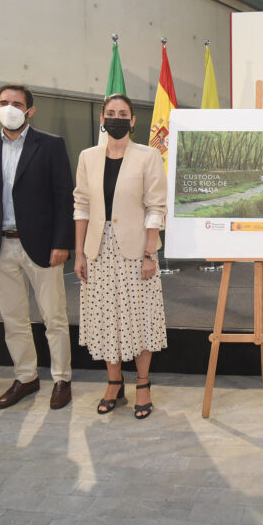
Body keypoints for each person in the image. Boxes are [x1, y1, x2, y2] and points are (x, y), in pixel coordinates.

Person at [0, 84, 75, 410]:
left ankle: (61, 378)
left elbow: (63, 197)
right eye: (3, 102)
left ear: (30, 110)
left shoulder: (51, 145)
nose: (9, 108)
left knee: (53, 316)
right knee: (13, 318)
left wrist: (62, 242)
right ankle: (26, 377)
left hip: (42, 246)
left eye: (16, 103)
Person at [74, 94, 168, 419]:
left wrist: (149, 253)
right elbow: (82, 205)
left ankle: (143, 383)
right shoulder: (87, 157)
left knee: (139, 317)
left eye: (123, 113)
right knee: (105, 319)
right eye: (110, 113)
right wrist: (79, 254)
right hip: (97, 251)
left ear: (132, 120)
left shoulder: (148, 156)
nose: (116, 118)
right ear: (102, 119)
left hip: (136, 251)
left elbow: (156, 207)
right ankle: (114, 381)